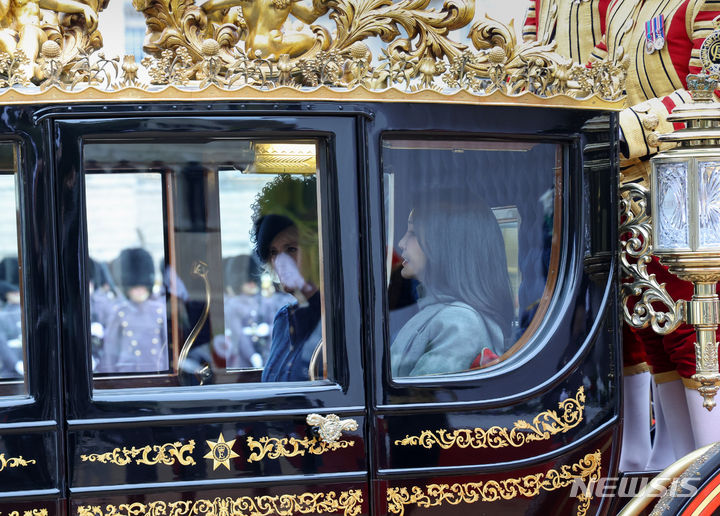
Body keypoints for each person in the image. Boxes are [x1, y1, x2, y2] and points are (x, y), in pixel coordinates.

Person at [390, 194, 514, 377]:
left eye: (413, 234)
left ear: (445, 244)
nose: (401, 243)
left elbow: (422, 401)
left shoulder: (459, 323)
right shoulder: (441, 313)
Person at [251, 175, 322, 382]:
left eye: (291, 249)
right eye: (273, 252)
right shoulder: (283, 319)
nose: (280, 262)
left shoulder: (336, 319)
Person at [100, 248, 168, 374]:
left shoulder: (159, 311)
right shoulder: (119, 313)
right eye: (134, 287)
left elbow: (167, 347)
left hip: (156, 370)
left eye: (142, 287)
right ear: (128, 288)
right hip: (128, 373)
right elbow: (110, 351)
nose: (139, 291)